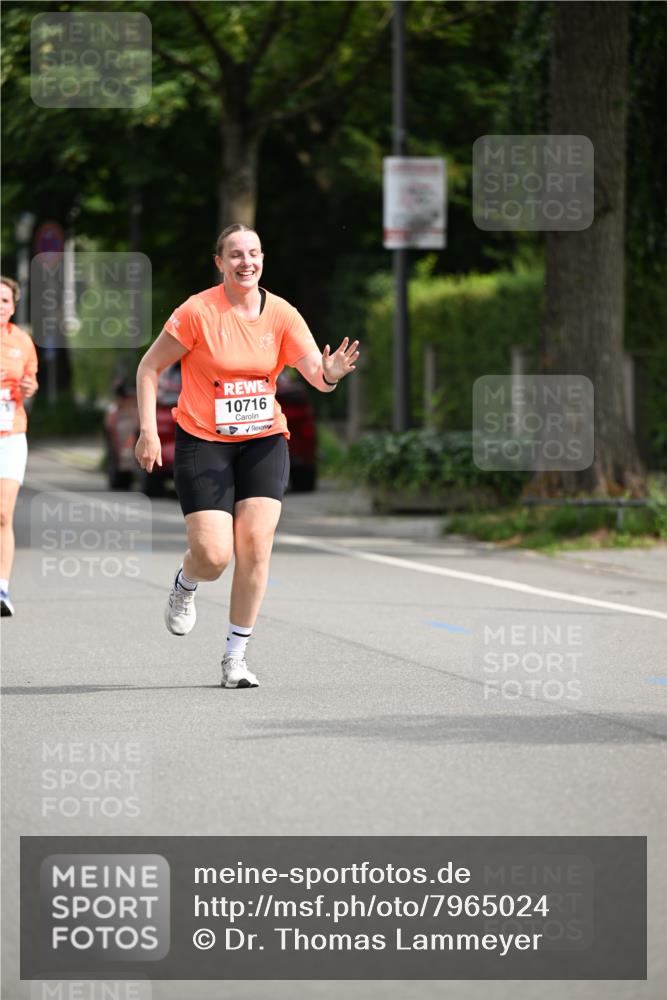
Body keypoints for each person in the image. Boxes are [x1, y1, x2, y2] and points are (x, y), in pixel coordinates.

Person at [135, 224, 359, 688]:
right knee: (215, 556)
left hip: (263, 439)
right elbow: (149, 367)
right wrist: (147, 433)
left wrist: (331, 374)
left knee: (255, 547)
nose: (246, 262)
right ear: (220, 262)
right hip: (203, 439)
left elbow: (315, 374)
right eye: (235, 254)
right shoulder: (198, 312)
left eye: (253, 253)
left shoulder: (281, 314)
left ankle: (235, 657)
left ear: (263, 259)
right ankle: (186, 584)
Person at [0, 276, 39, 616]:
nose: (0, 306)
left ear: (13, 306)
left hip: (11, 434)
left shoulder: (23, 342)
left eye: (5, 301)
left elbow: (31, 381)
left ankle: (2, 589)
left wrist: (29, 386)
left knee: (3, 512)